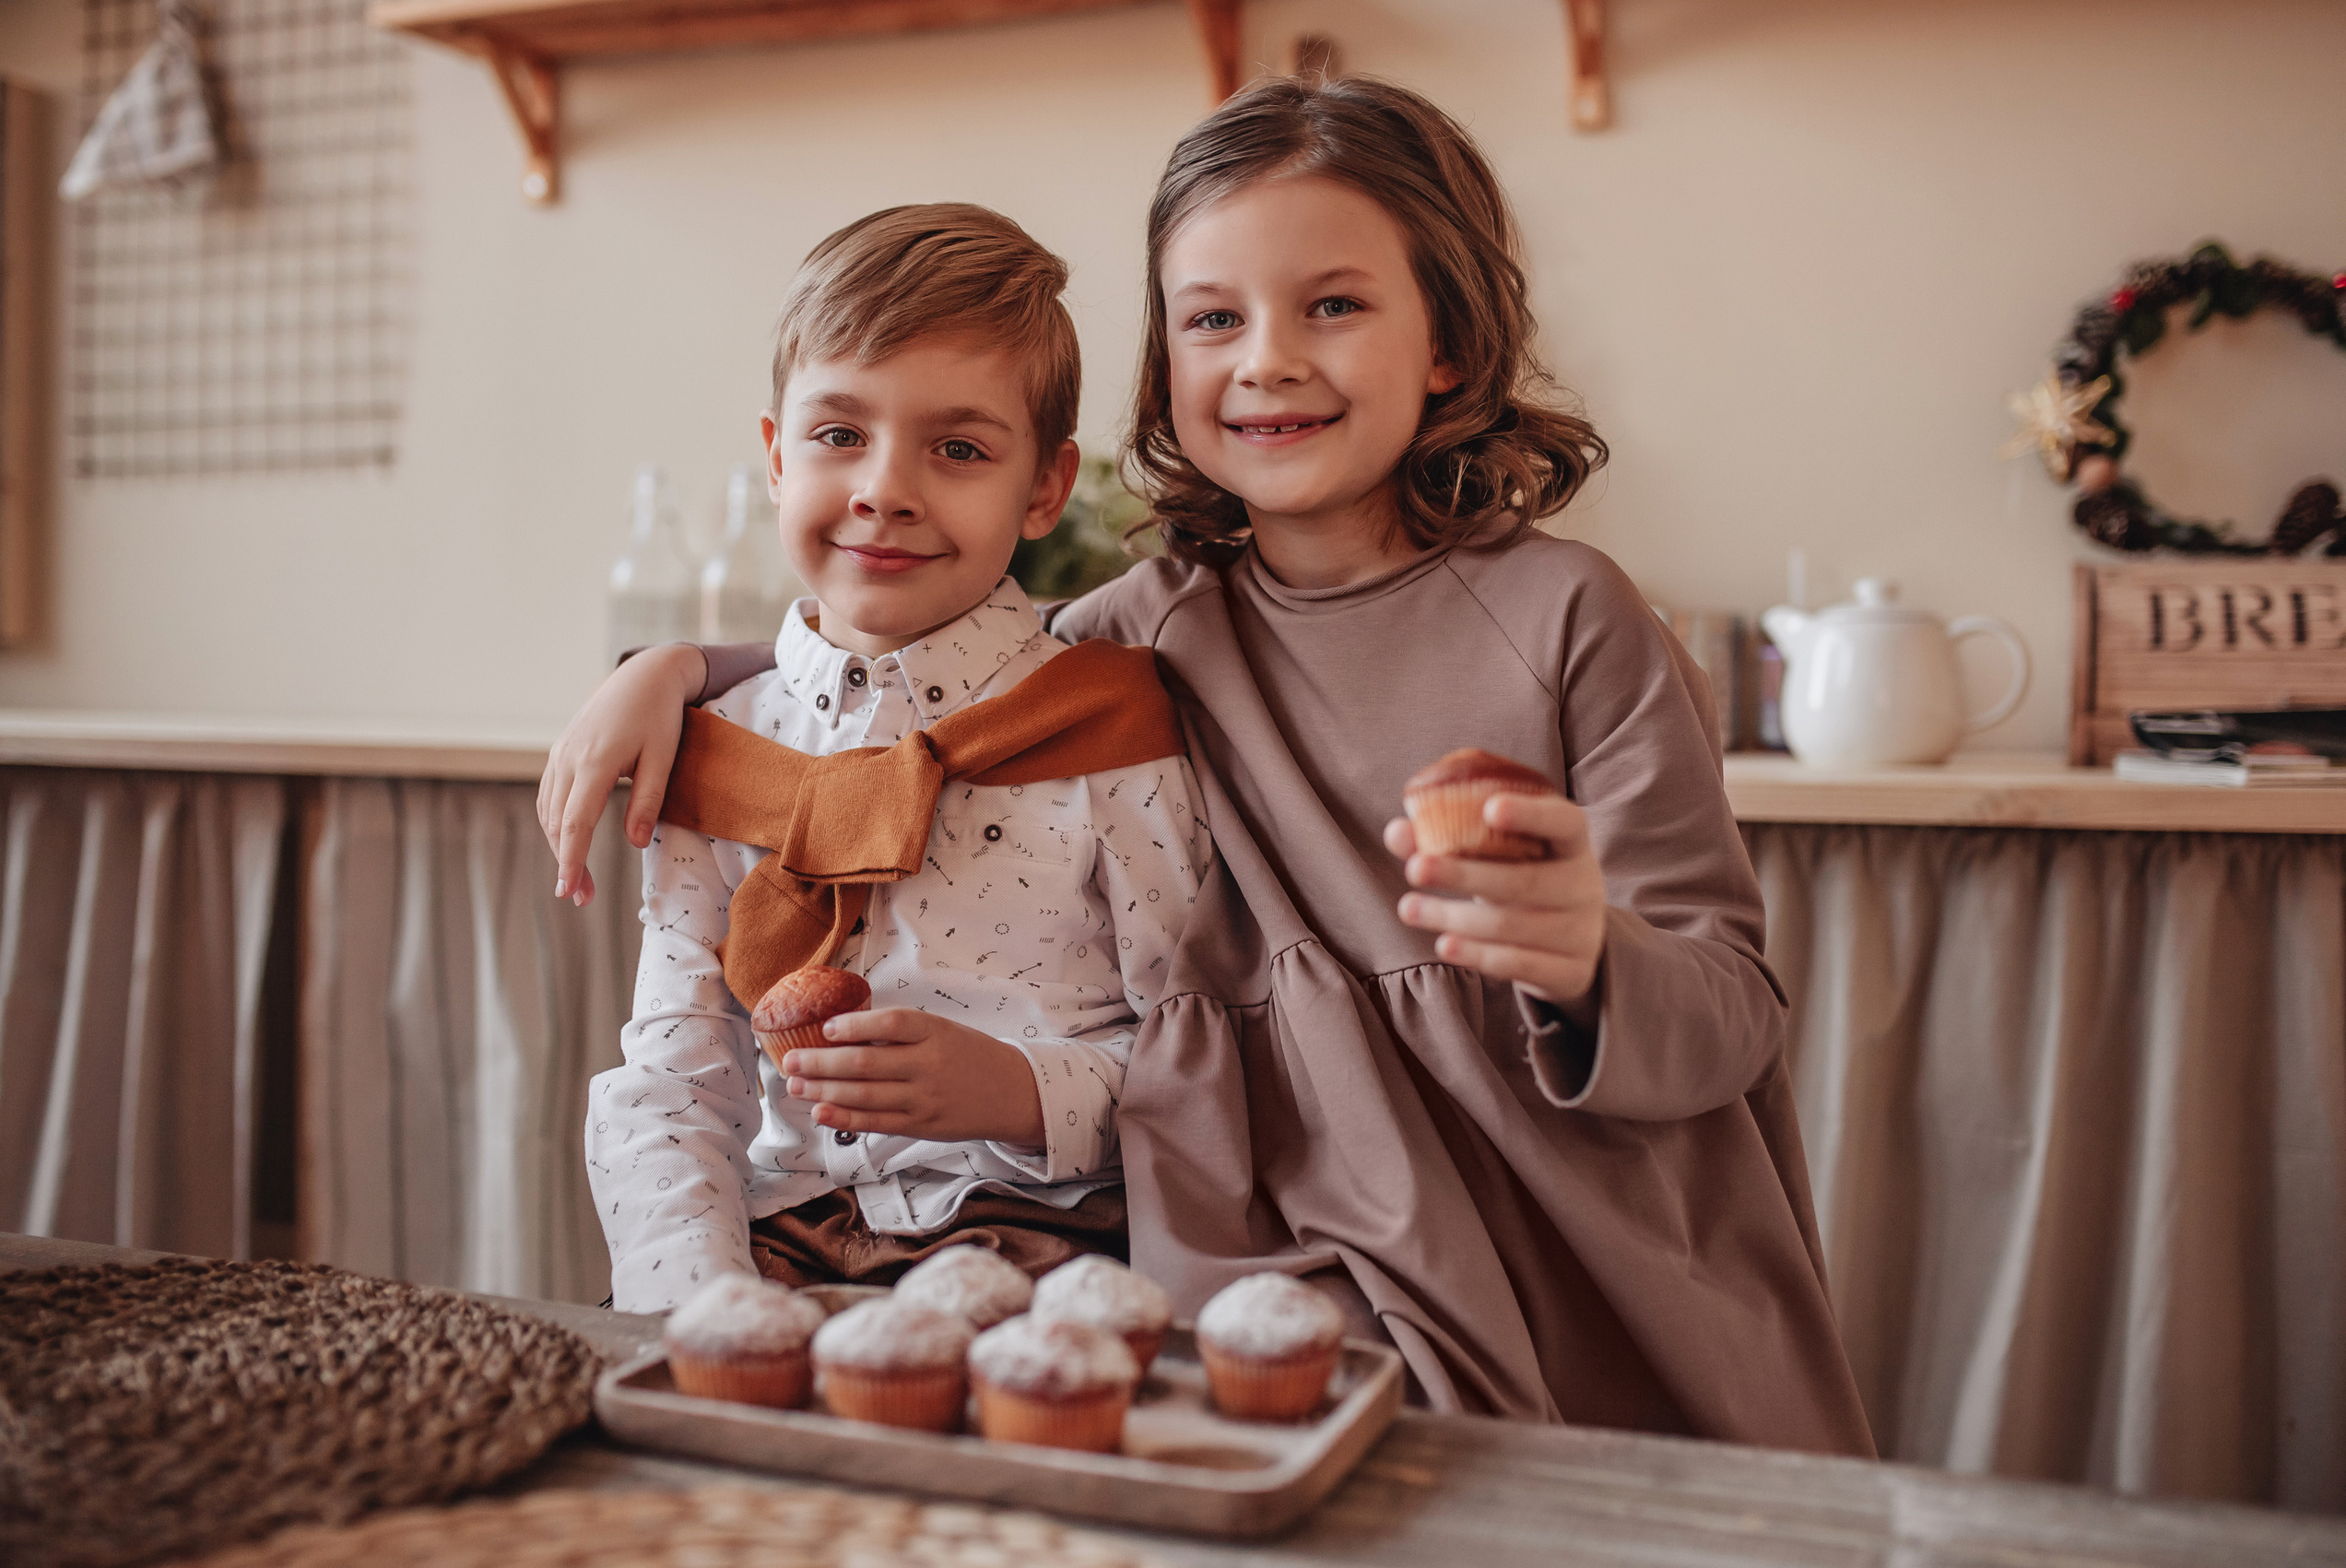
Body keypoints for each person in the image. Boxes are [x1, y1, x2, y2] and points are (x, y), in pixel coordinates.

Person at [547, 79, 1874, 1455]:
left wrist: (1590, 954)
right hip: (1324, 1243)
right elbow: (915, 668)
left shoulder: (1571, 618)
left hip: (1588, 1249)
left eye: (1335, 306)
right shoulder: (1145, 630)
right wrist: (676, 676)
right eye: (1213, 317)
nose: (1269, 360)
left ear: (1451, 346)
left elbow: (1735, 1011)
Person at [584, 204, 1213, 1315]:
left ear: (1044, 489)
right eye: (838, 436)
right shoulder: (713, 748)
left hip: (1052, 1251)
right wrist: (697, 1310)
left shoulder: (1109, 731)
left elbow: (1203, 1062)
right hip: (776, 1245)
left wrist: (1020, 1092)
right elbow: (674, 1085)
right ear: (778, 457)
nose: (885, 486)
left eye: (958, 448)